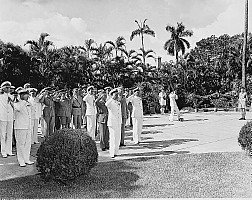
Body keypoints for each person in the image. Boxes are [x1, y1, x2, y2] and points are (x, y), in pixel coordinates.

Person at [14, 89, 34, 167]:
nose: (27, 96)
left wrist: (28, 102)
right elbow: (18, 109)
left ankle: (26, 159)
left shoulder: (28, 103)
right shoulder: (17, 103)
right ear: (21, 95)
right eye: (26, 94)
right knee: (20, 144)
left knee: (28, 143)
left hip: (28, 126)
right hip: (20, 126)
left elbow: (32, 111)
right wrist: (22, 101)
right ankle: (21, 160)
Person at [0, 81, 15, 158]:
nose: (9, 89)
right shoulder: (0, 96)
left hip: (10, 117)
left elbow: (14, 106)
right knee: (3, 134)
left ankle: (9, 150)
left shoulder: (11, 96)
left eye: (9, 87)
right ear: (3, 88)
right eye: (7, 87)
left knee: (9, 134)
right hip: (2, 116)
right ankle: (3, 151)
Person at [105, 88, 122, 158]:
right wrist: (110, 96)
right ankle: (112, 152)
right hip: (112, 122)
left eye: (117, 94)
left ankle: (116, 151)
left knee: (118, 137)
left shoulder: (118, 102)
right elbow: (106, 104)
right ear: (112, 95)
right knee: (113, 137)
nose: (116, 96)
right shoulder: (110, 102)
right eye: (115, 94)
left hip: (118, 121)